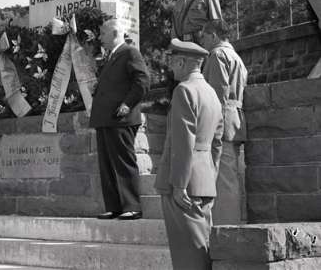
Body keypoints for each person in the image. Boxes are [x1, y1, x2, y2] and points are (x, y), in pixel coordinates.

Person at [156, 39, 223, 270]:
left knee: (187, 255)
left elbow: (183, 142)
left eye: (173, 61)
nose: (171, 67)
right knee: (202, 247)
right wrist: (210, 176)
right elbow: (217, 142)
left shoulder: (184, 90)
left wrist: (179, 185)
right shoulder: (212, 93)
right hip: (204, 181)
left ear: (183, 62)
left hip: (183, 184)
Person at [90, 19, 150, 220]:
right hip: (106, 119)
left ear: (115, 33)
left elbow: (142, 81)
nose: (100, 37)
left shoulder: (130, 52)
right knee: (106, 165)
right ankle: (114, 206)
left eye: (102, 33)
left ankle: (132, 206)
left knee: (123, 163)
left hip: (120, 118)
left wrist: (127, 104)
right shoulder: (112, 56)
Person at [201, 20, 248, 224]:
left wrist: (210, 126)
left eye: (204, 36)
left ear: (213, 35)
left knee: (223, 180)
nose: (202, 41)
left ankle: (226, 228)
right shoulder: (236, 57)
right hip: (234, 120)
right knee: (230, 177)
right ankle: (232, 224)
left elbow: (216, 94)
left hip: (221, 122)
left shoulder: (217, 55)